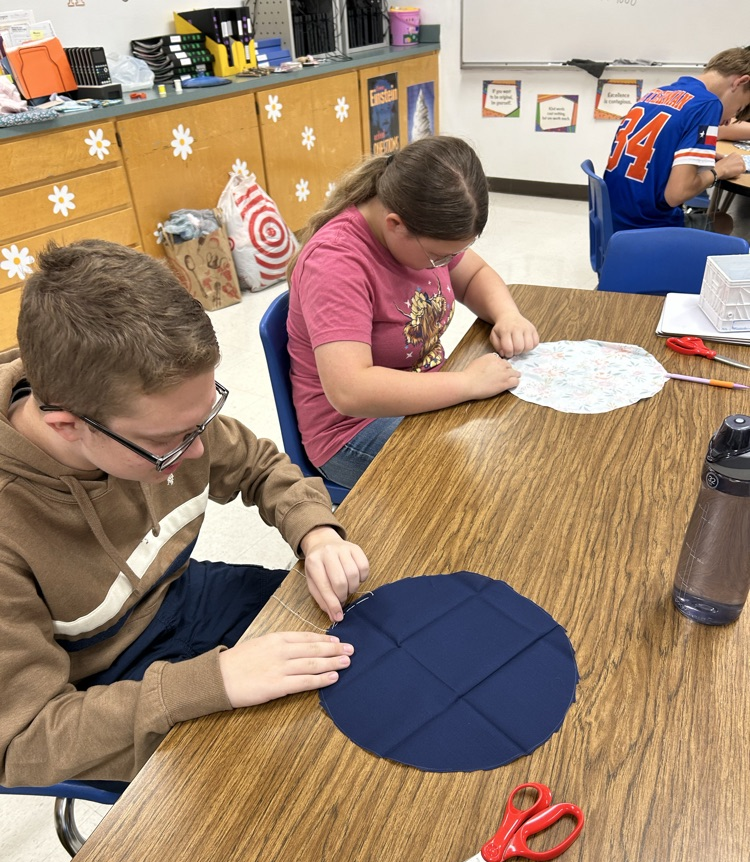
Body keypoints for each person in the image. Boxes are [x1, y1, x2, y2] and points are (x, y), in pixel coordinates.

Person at [0, 240, 369, 787]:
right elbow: (25, 743)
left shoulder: (150, 410)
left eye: (203, 420)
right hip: (100, 687)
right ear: (66, 425)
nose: (198, 451)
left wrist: (315, 530)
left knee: (365, 651)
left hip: (180, 596)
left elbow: (261, 466)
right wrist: (208, 682)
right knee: (285, 794)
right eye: (170, 440)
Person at [286, 135, 540, 489]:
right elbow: (351, 391)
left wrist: (507, 315)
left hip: (426, 394)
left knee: (521, 437)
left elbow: (475, 275)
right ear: (395, 224)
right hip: (354, 432)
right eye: (440, 257)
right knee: (495, 476)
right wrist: (466, 383)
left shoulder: (421, 231)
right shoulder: (335, 264)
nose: (446, 265)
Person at [603, 47, 750, 233]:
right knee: (725, 222)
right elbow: (676, 194)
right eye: (740, 107)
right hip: (646, 228)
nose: (729, 120)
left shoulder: (658, 92)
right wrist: (720, 170)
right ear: (741, 82)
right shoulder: (708, 104)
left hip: (613, 220)